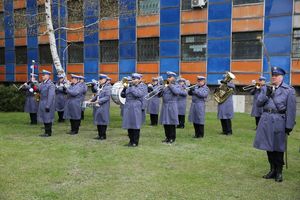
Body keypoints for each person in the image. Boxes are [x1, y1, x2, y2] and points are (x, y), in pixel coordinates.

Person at [253, 66, 296, 182]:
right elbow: (258, 104)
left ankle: (279, 172)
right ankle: (272, 170)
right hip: (266, 119)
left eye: (276, 76)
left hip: (279, 120)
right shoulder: (266, 88)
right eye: (272, 75)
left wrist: (289, 125)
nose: (273, 77)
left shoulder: (289, 90)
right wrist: (266, 94)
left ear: (281, 77)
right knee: (268, 146)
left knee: (278, 147)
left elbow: (291, 110)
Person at [121, 73, 144, 147]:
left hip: (135, 106)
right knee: (129, 124)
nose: (132, 80)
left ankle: (135, 142)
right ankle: (131, 141)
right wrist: (124, 88)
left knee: (135, 124)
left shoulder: (141, 86)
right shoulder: (129, 86)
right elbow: (123, 95)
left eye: (134, 79)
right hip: (128, 106)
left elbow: (138, 94)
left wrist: (132, 87)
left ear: (138, 80)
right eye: (132, 79)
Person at [159, 71, 182, 144]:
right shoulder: (165, 85)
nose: (168, 78)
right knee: (165, 122)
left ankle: (172, 138)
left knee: (171, 122)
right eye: (168, 77)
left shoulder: (177, 85)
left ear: (173, 78)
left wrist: (170, 85)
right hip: (165, 105)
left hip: (172, 105)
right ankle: (167, 137)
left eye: (170, 77)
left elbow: (177, 92)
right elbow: (159, 95)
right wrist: (161, 89)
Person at [91, 74, 111, 140]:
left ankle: (103, 135)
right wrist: (91, 100)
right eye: (99, 79)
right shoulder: (100, 86)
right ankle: (99, 135)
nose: (100, 80)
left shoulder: (107, 87)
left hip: (104, 105)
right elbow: (97, 95)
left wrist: (98, 101)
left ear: (105, 80)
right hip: (98, 105)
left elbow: (107, 97)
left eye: (101, 79)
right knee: (98, 120)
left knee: (103, 120)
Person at [37, 70, 55, 137]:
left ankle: (48, 133)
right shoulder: (43, 83)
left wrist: (48, 105)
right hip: (42, 102)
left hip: (47, 102)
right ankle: (46, 131)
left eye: (43, 75)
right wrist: (32, 86)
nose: (42, 76)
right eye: (42, 75)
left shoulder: (51, 85)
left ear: (47, 76)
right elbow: (38, 89)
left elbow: (51, 96)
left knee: (48, 117)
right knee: (44, 117)